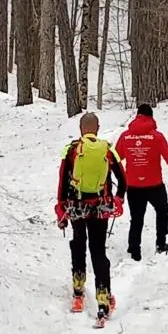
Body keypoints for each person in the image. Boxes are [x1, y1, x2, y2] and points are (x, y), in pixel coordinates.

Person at [55, 112, 127, 320]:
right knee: (98, 250)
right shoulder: (107, 150)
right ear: (97, 128)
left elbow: (62, 183)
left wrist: (62, 211)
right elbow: (122, 180)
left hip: (77, 207)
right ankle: (103, 301)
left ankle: (78, 293)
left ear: (80, 129)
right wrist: (118, 200)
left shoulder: (71, 150)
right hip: (100, 208)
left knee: (78, 243)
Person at [115, 103, 168, 261]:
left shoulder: (125, 136)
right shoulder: (157, 136)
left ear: (137, 116)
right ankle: (161, 243)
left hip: (133, 186)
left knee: (136, 218)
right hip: (154, 185)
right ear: (151, 117)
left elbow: (115, 158)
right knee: (162, 212)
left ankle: (134, 249)